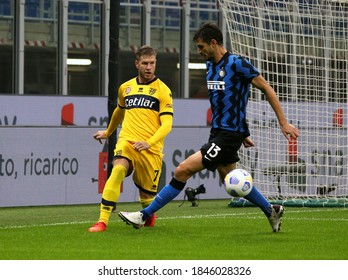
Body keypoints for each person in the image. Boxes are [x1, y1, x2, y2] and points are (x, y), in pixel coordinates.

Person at [118, 22, 299, 232]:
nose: (199, 51)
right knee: (232, 182)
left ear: (214, 43)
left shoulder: (237, 63)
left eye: (202, 46)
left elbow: (266, 87)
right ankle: (271, 211)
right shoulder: (211, 65)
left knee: (182, 170)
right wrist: (243, 130)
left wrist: (283, 122)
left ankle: (143, 215)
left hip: (228, 135)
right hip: (221, 132)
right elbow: (227, 101)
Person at [88, 45, 174, 232]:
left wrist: (149, 142)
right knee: (118, 169)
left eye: (152, 63)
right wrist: (108, 132)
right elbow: (120, 110)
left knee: (147, 197)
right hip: (127, 141)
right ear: (137, 64)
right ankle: (102, 221)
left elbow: (167, 124)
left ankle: (148, 215)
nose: (149, 67)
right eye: (145, 63)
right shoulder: (125, 88)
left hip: (150, 149)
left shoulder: (163, 91)